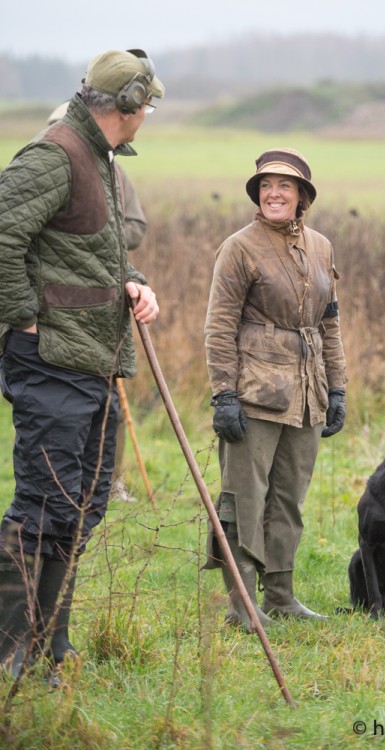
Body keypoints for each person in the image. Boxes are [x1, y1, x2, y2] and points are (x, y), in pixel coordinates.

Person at [0, 48, 164, 677]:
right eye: (146, 105)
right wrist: (22, 314)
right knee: (42, 507)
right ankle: (10, 653)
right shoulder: (55, 154)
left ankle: (49, 645)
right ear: (127, 106)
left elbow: (91, 252)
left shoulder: (98, 156)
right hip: (50, 361)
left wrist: (135, 282)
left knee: (81, 504)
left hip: (92, 361)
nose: (147, 115)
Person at [204, 148, 347, 630]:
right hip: (253, 393)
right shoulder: (239, 247)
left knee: (289, 497)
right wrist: (224, 394)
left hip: (307, 395)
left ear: (303, 195)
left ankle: (281, 596)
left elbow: (330, 324)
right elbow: (218, 326)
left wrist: (338, 388)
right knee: (245, 497)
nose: (274, 193)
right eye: (266, 185)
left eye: (285, 186)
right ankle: (242, 604)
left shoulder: (322, 246)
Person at [48, 101, 149, 504]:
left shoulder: (113, 173)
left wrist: (100, 240)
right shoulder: (44, 168)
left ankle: (108, 483)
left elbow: (136, 226)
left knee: (109, 406)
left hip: (107, 297)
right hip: (55, 318)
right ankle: (60, 489)